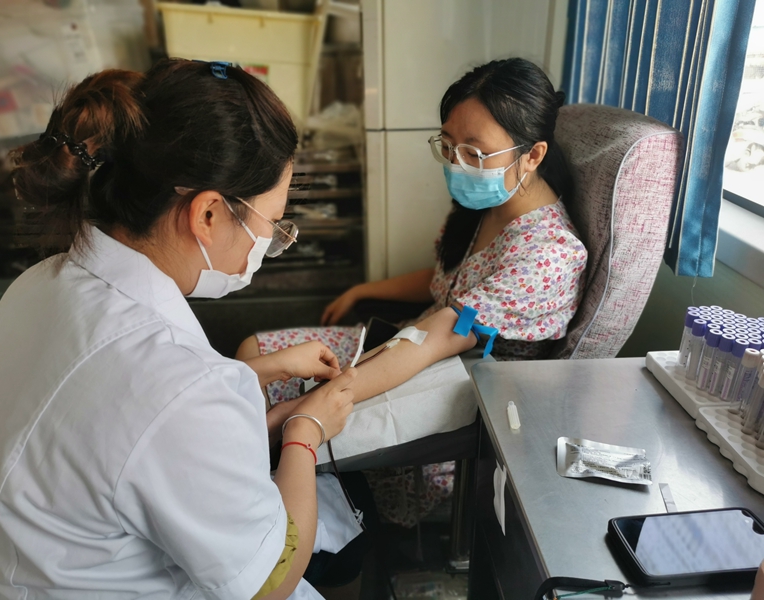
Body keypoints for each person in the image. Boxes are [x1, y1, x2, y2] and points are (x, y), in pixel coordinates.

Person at [0, 59, 371, 600]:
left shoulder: (39, 284)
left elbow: (114, 427)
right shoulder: (174, 384)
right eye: (273, 225)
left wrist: (249, 379)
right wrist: (305, 430)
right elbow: (270, 580)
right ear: (207, 215)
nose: (271, 244)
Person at [237, 58, 589, 526]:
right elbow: (447, 280)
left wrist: (299, 409)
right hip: (407, 342)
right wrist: (363, 290)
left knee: (277, 432)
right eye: (448, 146)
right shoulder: (490, 203)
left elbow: (442, 334)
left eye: (474, 152)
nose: (457, 163)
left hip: (448, 393)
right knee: (254, 354)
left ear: (534, 155)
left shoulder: (549, 255)